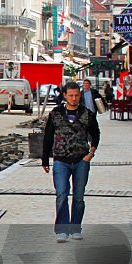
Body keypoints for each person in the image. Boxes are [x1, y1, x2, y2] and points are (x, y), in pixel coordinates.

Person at [42, 81, 101, 243]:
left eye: (77, 95)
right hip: (61, 160)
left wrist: (91, 153)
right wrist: (45, 159)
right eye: (71, 95)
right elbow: (48, 136)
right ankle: (62, 230)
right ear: (65, 96)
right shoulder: (56, 114)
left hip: (81, 160)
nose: (74, 98)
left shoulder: (87, 114)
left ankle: (75, 228)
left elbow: (96, 134)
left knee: (79, 196)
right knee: (61, 194)